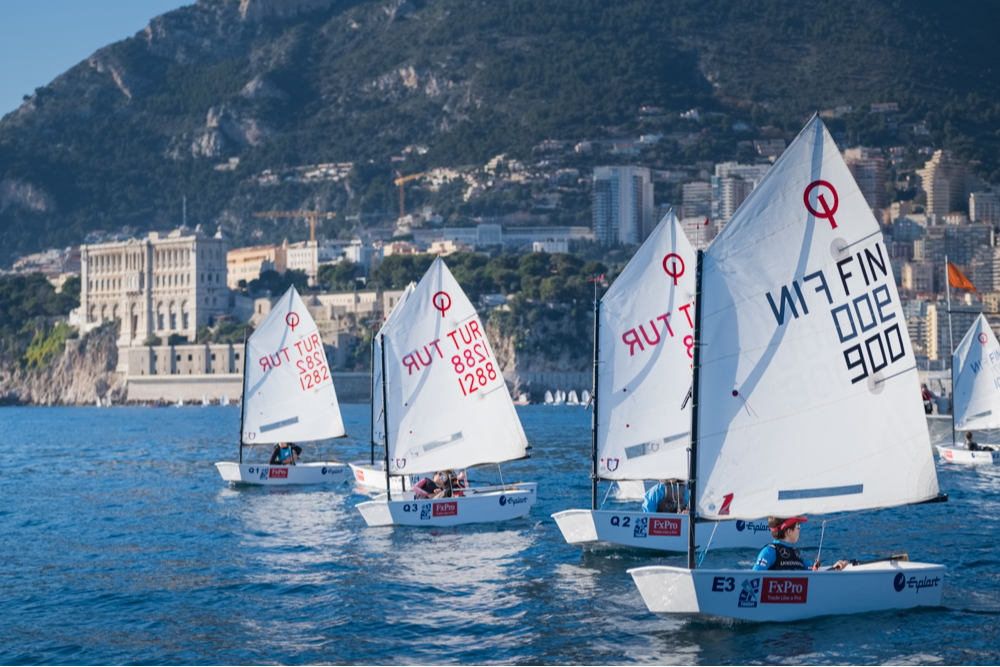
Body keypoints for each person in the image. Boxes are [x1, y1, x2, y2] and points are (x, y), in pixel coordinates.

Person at [752, 516, 849, 571]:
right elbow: (755, 576)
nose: (799, 530)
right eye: (798, 526)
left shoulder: (795, 553)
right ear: (789, 531)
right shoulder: (769, 551)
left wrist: (834, 569)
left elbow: (813, 574)